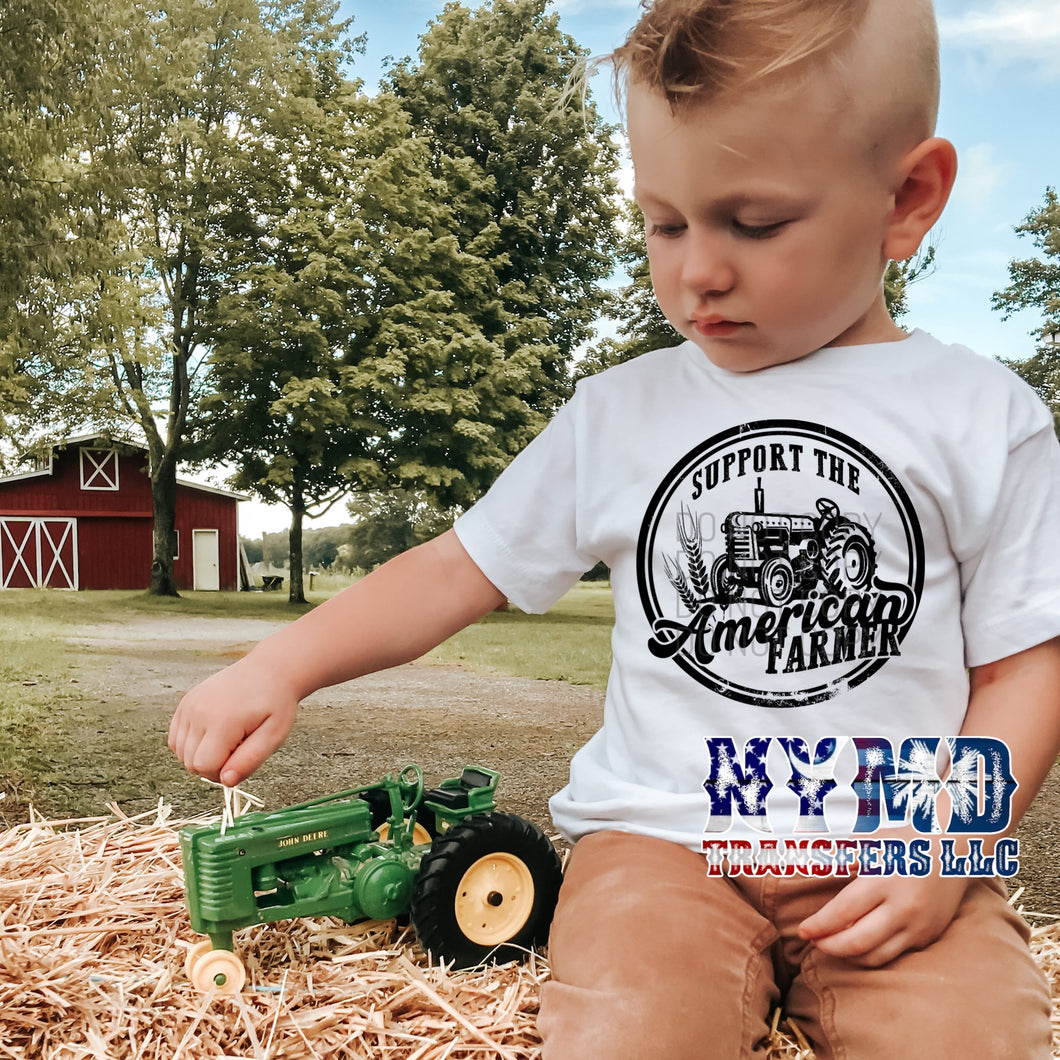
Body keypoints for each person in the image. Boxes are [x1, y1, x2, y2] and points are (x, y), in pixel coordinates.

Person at [170, 0, 1060, 1055]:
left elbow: (1023, 667)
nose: (697, 272)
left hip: (897, 846)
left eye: (755, 222)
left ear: (906, 199)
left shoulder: (983, 416)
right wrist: (282, 663)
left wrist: (944, 843)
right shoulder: (619, 413)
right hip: (661, 846)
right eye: (664, 222)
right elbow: (460, 568)